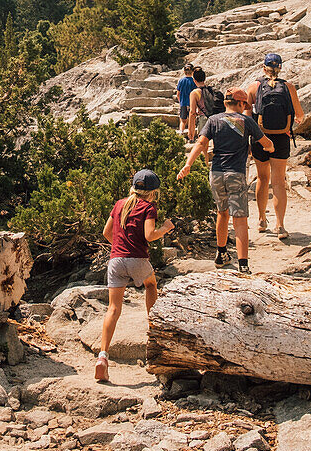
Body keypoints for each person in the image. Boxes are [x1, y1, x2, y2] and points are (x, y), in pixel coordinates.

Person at [177, 88, 274, 275]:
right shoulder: (246, 121)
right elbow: (265, 143)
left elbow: (201, 143)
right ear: (241, 104)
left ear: (225, 103)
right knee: (240, 219)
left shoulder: (213, 121)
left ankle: (221, 254)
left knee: (222, 213)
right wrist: (271, 147)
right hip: (236, 174)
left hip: (217, 173)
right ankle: (243, 265)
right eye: (245, 104)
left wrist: (188, 164)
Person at [95, 169, 174, 382]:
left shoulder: (120, 204)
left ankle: (103, 355)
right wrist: (165, 228)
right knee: (151, 285)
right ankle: (153, 331)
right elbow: (150, 235)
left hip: (116, 260)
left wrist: (121, 247)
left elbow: (106, 232)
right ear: (152, 192)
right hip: (137, 259)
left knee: (113, 308)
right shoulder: (149, 208)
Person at [246, 53, 305, 240]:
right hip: (281, 138)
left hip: (260, 138)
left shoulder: (254, 87)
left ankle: (262, 220)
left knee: (262, 178)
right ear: (280, 68)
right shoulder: (288, 87)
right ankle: (280, 226)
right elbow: (300, 115)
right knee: (279, 181)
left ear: (264, 68)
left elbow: (247, 118)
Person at [176, 64, 195, 135]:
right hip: (191, 104)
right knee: (191, 121)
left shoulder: (181, 81)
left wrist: (180, 102)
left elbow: (178, 94)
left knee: (183, 120)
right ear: (192, 72)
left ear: (184, 71)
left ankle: (181, 132)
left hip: (183, 103)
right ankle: (191, 136)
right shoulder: (194, 81)